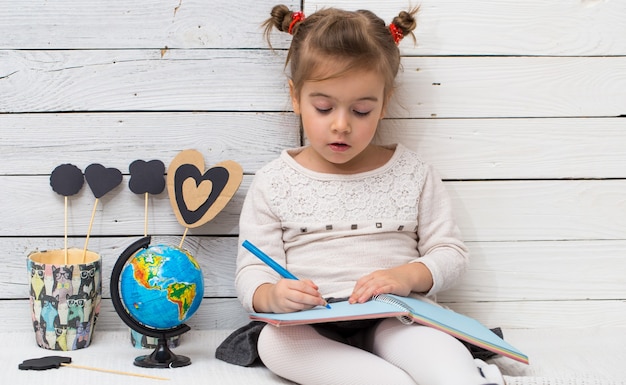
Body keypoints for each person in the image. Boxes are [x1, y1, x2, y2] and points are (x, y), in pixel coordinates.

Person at [224, 5, 505, 385]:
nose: (341, 125)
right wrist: (271, 296)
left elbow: (450, 254)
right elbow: (252, 270)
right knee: (275, 343)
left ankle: (465, 375)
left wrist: (406, 276)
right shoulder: (274, 181)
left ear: (384, 103)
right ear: (295, 97)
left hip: (397, 316)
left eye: (361, 110)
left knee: (441, 355)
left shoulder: (413, 173)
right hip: (307, 327)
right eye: (323, 107)